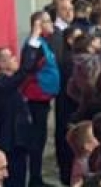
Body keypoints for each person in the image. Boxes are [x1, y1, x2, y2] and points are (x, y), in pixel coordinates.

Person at [20, 11, 63, 187]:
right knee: (36, 141)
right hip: (35, 101)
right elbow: (28, 65)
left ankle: (37, 177)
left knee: (42, 139)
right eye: (46, 21)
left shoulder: (45, 43)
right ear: (37, 25)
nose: (51, 23)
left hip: (44, 100)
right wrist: (35, 34)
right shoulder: (34, 45)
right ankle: (34, 180)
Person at [0, 46, 34, 187]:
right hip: (10, 143)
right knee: (13, 180)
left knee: (21, 178)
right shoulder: (1, 84)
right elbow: (24, 72)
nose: (16, 60)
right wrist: (32, 43)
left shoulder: (8, 84)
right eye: (12, 57)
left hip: (19, 141)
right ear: (2, 64)